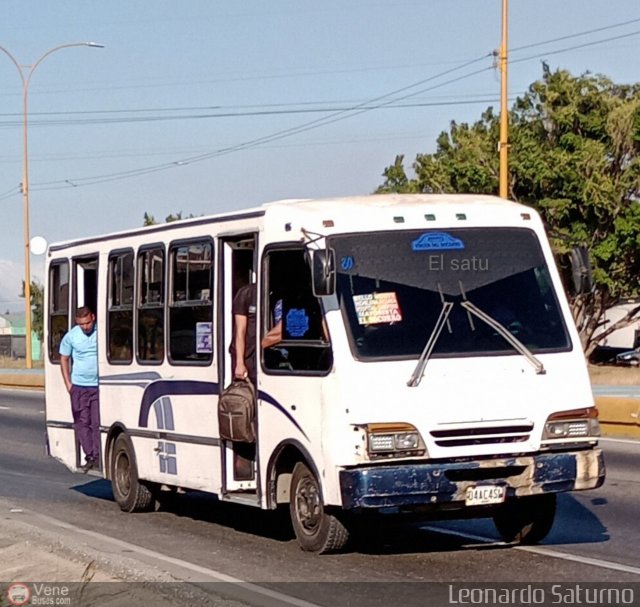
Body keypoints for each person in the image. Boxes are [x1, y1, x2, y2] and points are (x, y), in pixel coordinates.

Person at [59, 306, 100, 473]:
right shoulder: (72, 336)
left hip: (98, 386)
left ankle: (98, 456)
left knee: (97, 422)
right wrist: (68, 383)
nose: (85, 327)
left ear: (93, 317)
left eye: (88, 323)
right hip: (79, 387)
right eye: (82, 324)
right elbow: (64, 358)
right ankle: (89, 455)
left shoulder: (101, 332)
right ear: (77, 322)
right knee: (83, 422)